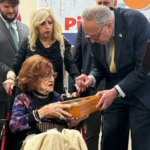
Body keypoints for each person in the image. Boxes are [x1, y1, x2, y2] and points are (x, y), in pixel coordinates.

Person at [76, 5, 150, 150]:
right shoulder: (93, 31)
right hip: (113, 95)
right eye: (88, 37)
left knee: (141, 143)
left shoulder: (137, 22)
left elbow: (144, 69)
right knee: (110, 141)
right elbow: (98, 67)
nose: (92, 41)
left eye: (95, 36)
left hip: (141, 91)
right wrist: (91, 79)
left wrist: (116, 91)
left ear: (108, 25)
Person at [9, 55, 87, 150]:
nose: (52, 79)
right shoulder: (23, 98)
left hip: (58, 140)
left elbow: (65, 125)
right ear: (33, 78)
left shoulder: (57, 97)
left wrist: (73, 122)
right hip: (31, 140)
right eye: (46, 76)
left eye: (52, 75)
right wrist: (42, 112)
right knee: (53, 135)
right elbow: (14, 126)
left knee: (74, 134)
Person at [68, 1, 117, 150]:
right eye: (99, 2)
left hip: (116, 88)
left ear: (115, 2)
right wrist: (74, 87)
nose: (102, 5)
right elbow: (75, 58)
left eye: (106, 2)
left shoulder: (124, 27)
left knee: (113, 131)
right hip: (92, 85)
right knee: (91, 132)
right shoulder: (86, 25)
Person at [3, 7, 80, 96]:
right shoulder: (28, 43)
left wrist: (77, 79)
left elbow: (70, 65)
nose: (47, 26)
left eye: (50, 23)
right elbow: (15, 66)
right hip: (31, 96)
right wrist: (10, 79)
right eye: (42, 23)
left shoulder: (61, 43)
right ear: (36, 26)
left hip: (54, 96)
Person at [0, 0, 29, 132]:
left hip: (23, 96)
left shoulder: (26, 28)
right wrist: (12, 73)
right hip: (2, 94)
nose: (11, 10)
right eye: (6, 7)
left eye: (14, 6)